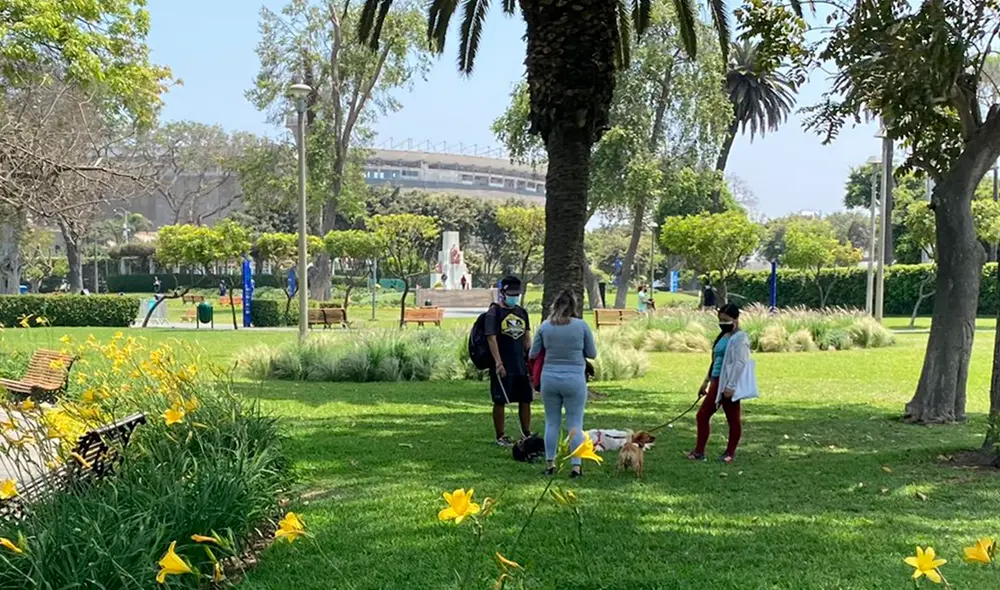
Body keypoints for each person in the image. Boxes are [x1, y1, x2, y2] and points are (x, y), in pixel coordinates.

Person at [529, 290, 597, 478]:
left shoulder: (545, 326)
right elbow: (592, 353)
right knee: (575, 422)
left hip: (549, 378)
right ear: (574, 306)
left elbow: (533, 353)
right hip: (574, 378)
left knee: (552, 422)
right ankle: (576, 466)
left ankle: (550, 464)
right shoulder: (581, 326)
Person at [688, 303, 750, 464]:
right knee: (702, 416)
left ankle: (729, 453)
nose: (722, 323)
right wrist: (706, 382)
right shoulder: (722, 336)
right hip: (716, 380)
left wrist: (731, 386)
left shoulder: (740, 339)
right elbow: (715, 360)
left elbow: (740, 363)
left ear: (735, 319)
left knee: (732, 418)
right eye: (720, 320)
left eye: (726, 319)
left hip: (728, 383)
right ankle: (699, 451)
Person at [485, 276, 533, 447]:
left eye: (516, 294)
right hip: (503, 364)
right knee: (500, 400)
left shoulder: (522, 312)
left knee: (525, 399)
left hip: (520, 364)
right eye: (511, 294)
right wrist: (498, 362)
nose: (514, 297)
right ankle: (500, 436)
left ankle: (526, 433)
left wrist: (530, 360)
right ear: (502, 293)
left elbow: (527, 336)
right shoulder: (494, 312)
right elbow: (491, 338)